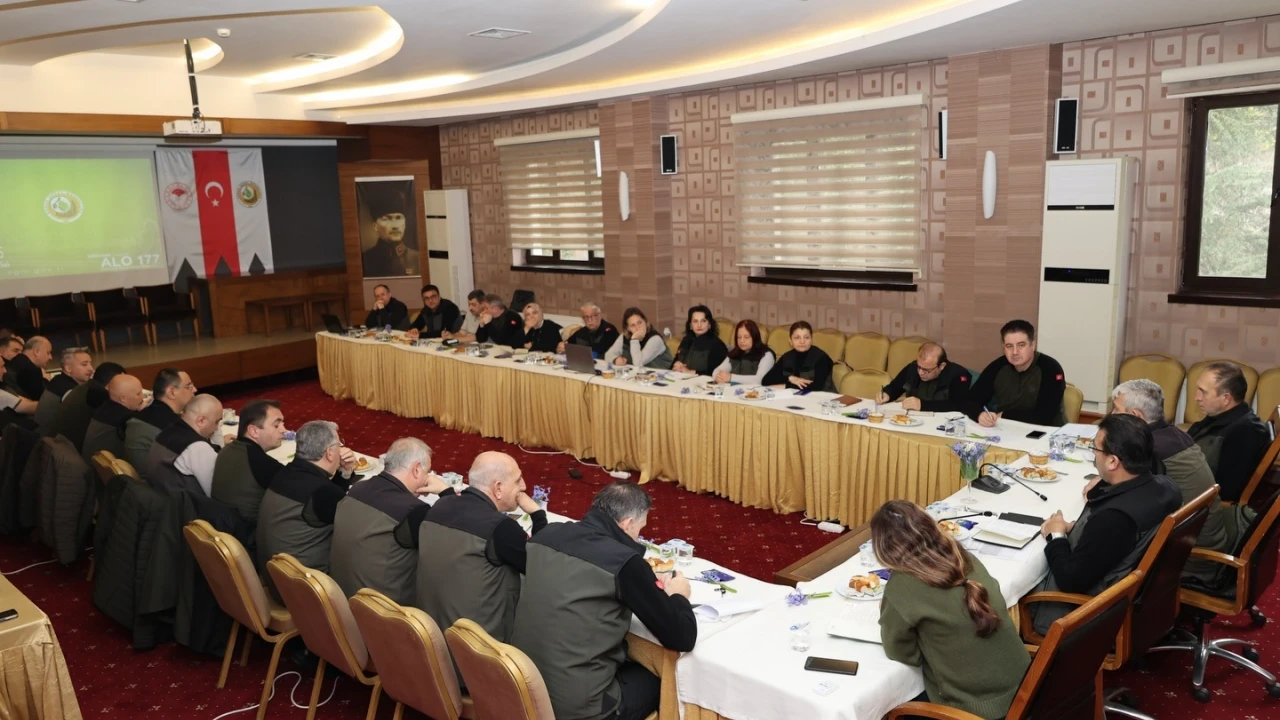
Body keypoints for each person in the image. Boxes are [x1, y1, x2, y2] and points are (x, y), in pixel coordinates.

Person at [512, 482, 695, 720]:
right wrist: (679, 594)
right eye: (640, 528)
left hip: (523, 685)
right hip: (580, 708)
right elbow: (682, 637)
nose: (638, 536)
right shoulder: (625, 562)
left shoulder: (546, 535)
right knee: (665, 679)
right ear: (628, 523)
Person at [873, 500, 1029, 719]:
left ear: (883, 548)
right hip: (1029, 686)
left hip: (978, 710)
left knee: (892, 711)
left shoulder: (902, 584)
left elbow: (901, 653)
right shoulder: (962, 555)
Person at [1028, 413, 1181, 634]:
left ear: (1113, 461)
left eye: (1096, 449)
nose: (1093, 454)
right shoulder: (1167, 487)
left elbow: (1070, 580)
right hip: (1144, 602)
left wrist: (1056, 535)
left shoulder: (1114, 519)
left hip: (1082, 615)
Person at [1110, 379, 1249, 584]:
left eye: (1116, 409)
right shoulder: (1173, 434)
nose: (1111, 415)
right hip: (1205, 539)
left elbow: (1130, 511)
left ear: (1136, 416)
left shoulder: (1151, 450)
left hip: (1190, 558)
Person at [417, 452, 546, 651]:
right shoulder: (501, 528)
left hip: (432, 635)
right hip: (478, 649)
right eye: (518, 480)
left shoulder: (439, 506)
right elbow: (541, 564)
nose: (524, 486)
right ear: (498, 488)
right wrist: (538, 515)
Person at [331, 437, 452, 605]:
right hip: (382, 610)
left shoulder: (357, 488)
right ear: (416, 469)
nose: (427, 477)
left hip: (339, 598)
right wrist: (447, 493)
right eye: (427, 472)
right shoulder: (413, 511)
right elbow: (452, 537)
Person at [257, 420, 357, 599]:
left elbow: (329, 503)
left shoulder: (284, 474)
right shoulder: (321, 492)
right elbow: (353, 526)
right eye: (339, 445)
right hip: (306, 591)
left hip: (275, 579)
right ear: (329, 453)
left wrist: (345, 473)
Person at [1187, 361, 1271, 503]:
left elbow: (1226, 491)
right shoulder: (1220, 417)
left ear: (1226, 398)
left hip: (1201, 506)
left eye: (1203, 392)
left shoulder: (1245, 433)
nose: (1197, 397)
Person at [966, 320, 1067, 427]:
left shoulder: (1050, 368)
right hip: (1006, 429)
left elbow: (1044, 416)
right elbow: (970, 400)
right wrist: (979, 414)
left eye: (1021, 345)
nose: (1015, 352)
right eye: (1009, 346)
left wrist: (1005, 415)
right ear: (1003, 348)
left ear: (1033, 345)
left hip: (1048, 431)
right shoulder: (998, 366)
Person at [210, 399, 287, 525]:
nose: (284, 430)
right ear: (253, 431)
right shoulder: (261, 463)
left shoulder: (227, 449)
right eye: (276, 425)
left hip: (220, 525)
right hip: (247, 533)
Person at [144, 393, 223, 496]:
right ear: (201, 420)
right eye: (217, 422)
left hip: (160, 498)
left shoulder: (166, 432)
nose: (216, 428)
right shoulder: (198, 447)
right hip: (186, 505)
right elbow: (218, 493)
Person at [123, 368, 195, 471]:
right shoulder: (171, 426)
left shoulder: (145, 414)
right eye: (189, 386)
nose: (194, 390)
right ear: (172, 392)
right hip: (154, 478)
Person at [52, 361, 126, 451]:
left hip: (60, 446)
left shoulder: (85, 387)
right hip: (74, 451)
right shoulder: (100, 396)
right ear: (112, 383)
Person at [878, 342, 972, 412]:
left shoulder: (959, 375)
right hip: (913, 421)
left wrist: (923, 405)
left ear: (941, 366)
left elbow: (957, 404)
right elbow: (895, 387)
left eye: (926, 370)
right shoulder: (913, 368)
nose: (920, 372)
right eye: (919, 367)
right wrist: (887, 394)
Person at [80, 373, 146, 466]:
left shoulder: (103, 408)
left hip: (93, 466)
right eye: (138, 394)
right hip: (108, 470)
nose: (142, 397)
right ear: (122, 398)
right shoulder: (126, 419)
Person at [763, 321, 835, 392]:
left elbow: (817, 387)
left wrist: (786, 386)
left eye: (806, 337)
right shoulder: (787, 357)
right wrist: (790, 378)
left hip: (823, 397)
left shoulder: (821, 357)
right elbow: (766, 380)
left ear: (811, 339)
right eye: (797, 338)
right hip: (795, 397)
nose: (802, 341)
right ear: (790, 340)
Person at [33, 347, 92, 433]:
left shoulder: (57, 379)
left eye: (90, 364)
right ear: (68, 369)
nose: (91, 369)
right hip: (51, 438)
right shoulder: (70, 391)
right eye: (84, 364)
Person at [360, 193, 419, 278]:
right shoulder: (365, 260)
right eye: (386, 219)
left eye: (398, 218)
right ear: (375, 226)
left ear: (405, 222)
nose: (395, 226)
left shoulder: (418, 258)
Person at [604, 307, 673, 369]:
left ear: (645, 321)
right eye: (632, 325)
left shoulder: (655, 339)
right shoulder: (623, 337)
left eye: (639, 322)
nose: (637, 328)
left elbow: (638, 363)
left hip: (665, 377)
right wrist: (615, 360)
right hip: (639, 376)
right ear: (628, 328)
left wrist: (634, 340)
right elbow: (608, 355)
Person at [712, 320, 775, 385]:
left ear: (754, 337)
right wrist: (718, 377)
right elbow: (717, 371)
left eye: (746, 337)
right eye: (739, 337)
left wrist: (731, 377)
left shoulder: (766, 355)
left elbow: (759, 380)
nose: (742, 341)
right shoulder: (735, 353)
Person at [671, 305, 728, 377]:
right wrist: (675, 366)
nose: (699, 325)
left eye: (703, 321)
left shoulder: (717, 345)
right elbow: (674, 363)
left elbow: (715, 373)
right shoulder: (686, 340)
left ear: (709, 324)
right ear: (690, 325)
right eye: (695, 321)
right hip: (680, 379)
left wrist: (690, 372)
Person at [4, 336, 51, 401]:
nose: (50, 357)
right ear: (37, 352)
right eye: (48, 353)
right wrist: (46, 380)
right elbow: (43, 399)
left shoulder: (17, 362)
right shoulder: (30, 370)